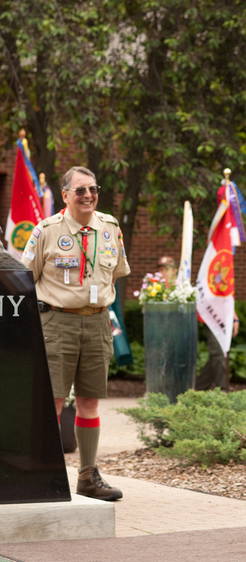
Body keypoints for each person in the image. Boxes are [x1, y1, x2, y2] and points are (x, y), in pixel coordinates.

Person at [21, 166, 131, 501]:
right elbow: (26, 278)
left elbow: (116, 275)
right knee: (53, 402)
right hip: (57, 323)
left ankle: (87, 476)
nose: (88, 196)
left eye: (92, 189)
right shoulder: (47, 230)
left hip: (98, 324)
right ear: (65, 195)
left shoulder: (110, 228)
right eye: (80, 190)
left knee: (88, 401)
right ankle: (45, 476)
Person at [196, 313, 240, 392]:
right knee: (218, 352)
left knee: (217, 354)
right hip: (210, 313)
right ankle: (222, 390)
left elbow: (226, 300)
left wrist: (234, 317)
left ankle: (199, 387)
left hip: (223, 315)